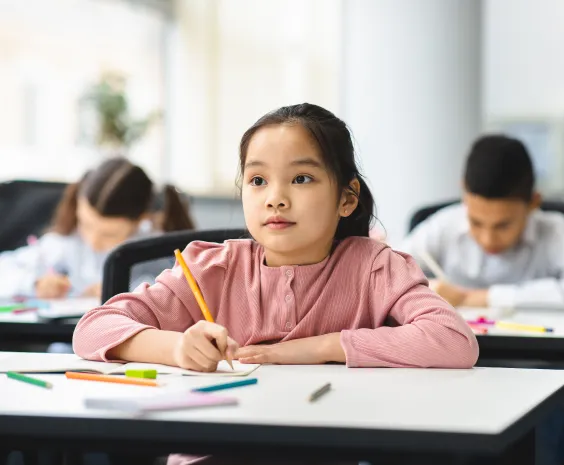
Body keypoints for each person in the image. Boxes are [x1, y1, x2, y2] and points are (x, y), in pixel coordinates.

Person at [73, 103, 479, 465]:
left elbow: (453, 340)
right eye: (257, 181)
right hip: (215, 453)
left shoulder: (375, 266)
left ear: (347, 197)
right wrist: (178, 347)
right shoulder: (211, 268)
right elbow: (93, 329)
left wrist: (318, 348)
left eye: (301, 179)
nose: (276, 198)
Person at [401, 134, 564, 310]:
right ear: (464, 195)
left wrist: (482, 298)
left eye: (503, 225)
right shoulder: (442, 225)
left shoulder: (556, 231)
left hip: (537, 353)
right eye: (476, 222)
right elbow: (388, 278)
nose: (488, 239)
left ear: (534, 202)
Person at [0, 157, 195, 300]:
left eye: (109, 235)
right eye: (86, 225)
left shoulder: (156, 249)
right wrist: (35, 284)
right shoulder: (67, 242)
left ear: (141, 219)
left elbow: (184, 293)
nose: (93, 241)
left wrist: (119, 290)